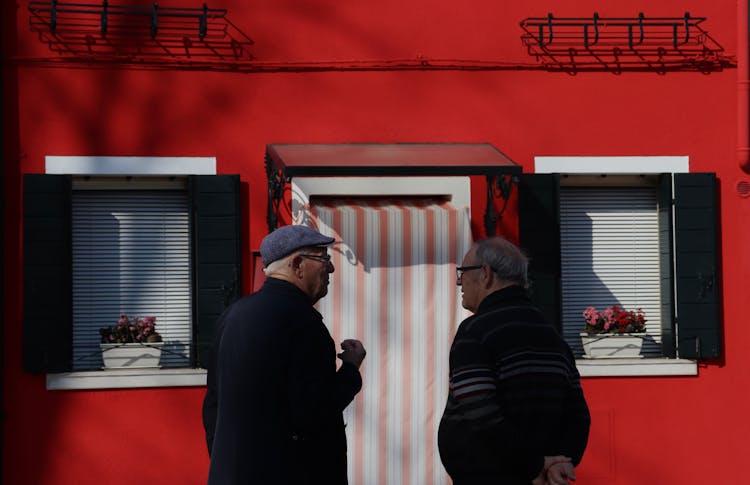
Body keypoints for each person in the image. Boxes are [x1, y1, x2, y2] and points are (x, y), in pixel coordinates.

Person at [202, 224, 366, 485]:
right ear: (298, 264)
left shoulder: (231, 317)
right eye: (324, 257)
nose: (331, 268)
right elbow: (314, 413)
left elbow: (213, 408)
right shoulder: (303, 323)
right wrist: (350, 370)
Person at [438, 237, 590, 485]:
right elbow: (578, 415)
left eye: (462, 272)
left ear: (485, 274)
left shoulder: (475, 331)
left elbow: (481, 414)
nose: (459, 282)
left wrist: (535, 465)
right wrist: (562, 461)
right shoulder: (552, 336)